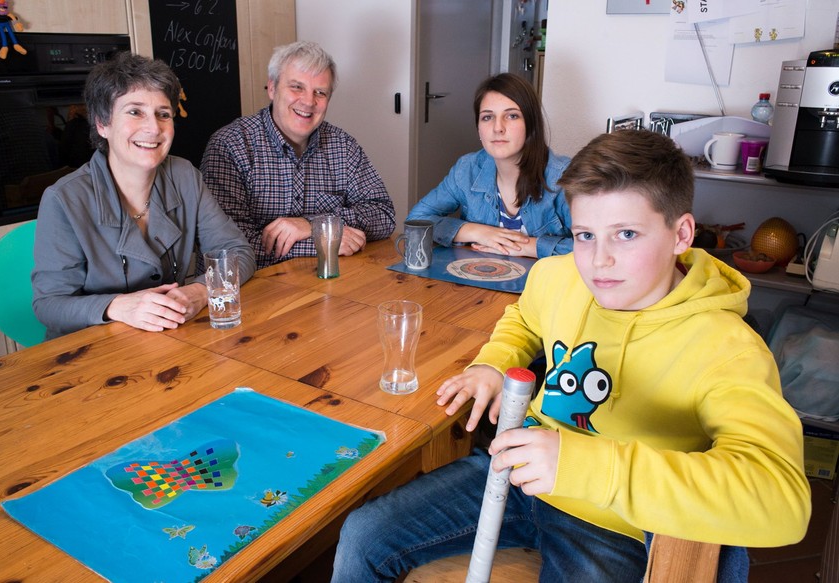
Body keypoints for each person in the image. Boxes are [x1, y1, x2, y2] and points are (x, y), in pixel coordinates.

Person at [332, 130, 811, 582]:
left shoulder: (726, 347)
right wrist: (493, 363)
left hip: (612, 523)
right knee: (363, 535)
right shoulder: (559, 276)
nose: (598, 260)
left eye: (626, 235)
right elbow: (524, 318)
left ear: (682, 234)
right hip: (520, 475)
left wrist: (583, 466)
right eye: (585, 235)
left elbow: (781, 500)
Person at [32, 52, 255, 340]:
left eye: (163, 114)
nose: (153, 128)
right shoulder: (64, 199)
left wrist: (200, 292)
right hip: (91, 352)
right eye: (135, 111)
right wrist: (117, 306)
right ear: (102, 123)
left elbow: (238, 253)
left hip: (167, 341)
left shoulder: (185, 175)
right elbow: (48, 305)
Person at [200, 41, 395, 270]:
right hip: (248, 293)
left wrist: (312, 225)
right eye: (297, 87)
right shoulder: (229, 146)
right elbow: (231, 249)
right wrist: (326, 241)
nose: (308, 101)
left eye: (320, 92)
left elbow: (383, 215)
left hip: (324, 285)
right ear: (272, 88)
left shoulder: (343, 146)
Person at [406, 73, 572, 258]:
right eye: (487, 117)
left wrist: (529, 247)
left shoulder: (563, 176)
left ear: (531, 124)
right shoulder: (467, 169)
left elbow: (599, 247)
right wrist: (476, 232)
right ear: (478, 127)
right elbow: (416, 220)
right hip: (479, 280)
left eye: (512, 116)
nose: (497, 128)